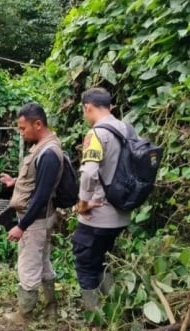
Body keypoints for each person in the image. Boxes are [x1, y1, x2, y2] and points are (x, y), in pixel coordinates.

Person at [0, 102, 63, 324]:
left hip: (36, 220)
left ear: (38, 124)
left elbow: (42, 195)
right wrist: (15, 183)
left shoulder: (48, 153)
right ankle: (51, 307)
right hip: (41, 218)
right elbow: (39, 183)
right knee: (43, 261)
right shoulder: (45, 148)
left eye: (23, 128)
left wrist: (21, 225)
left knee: (28, 265)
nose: (21, 132)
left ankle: (24, 314)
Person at [73, 87, 131, 310]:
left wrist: (83, 202)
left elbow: (89, 172)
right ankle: (116, 309)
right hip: (121, 212)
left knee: (86, 263)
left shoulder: (97, 133)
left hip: (98, 214)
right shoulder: (126, 129)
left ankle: (95, 318)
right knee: (101, 260)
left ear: (87, 107)